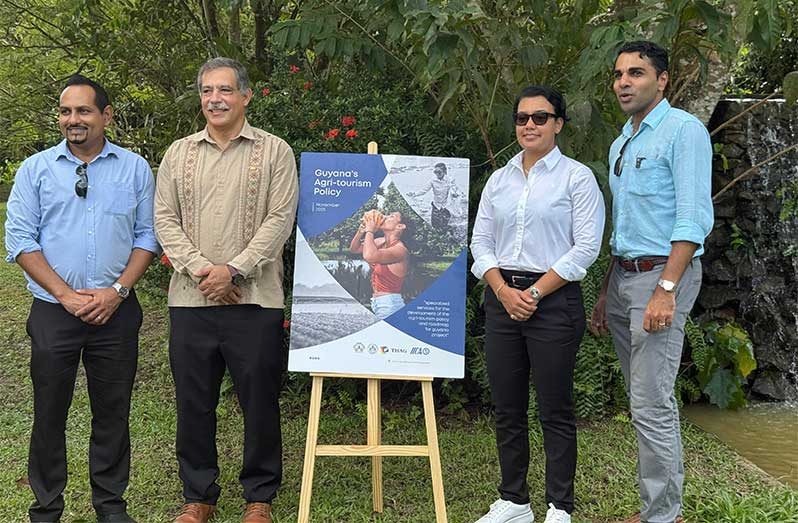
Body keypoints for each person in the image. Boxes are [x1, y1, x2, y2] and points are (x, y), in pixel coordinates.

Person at [4, 74, 158, 523]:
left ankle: (111, 508)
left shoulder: (134, 169)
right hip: (55, 313)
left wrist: (117, 291)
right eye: (66, 111)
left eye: (84, 110)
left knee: (113, 414)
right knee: (49, 414)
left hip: (117, 311)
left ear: (105, 116)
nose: (74, 120)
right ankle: (46, 509)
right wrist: (67, 296)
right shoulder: (35, 170)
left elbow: (147, 235)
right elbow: (20, 240)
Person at [154, 57, 298, 523]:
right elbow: (164, 220)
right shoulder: (178, 153)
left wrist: (233, 270)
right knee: (193, 401)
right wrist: (204, 272)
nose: (214, 99)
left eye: (225, 90)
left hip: (255, 299)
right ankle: (198, 497)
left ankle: (259, 497)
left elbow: (280, 220)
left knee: (259, 400)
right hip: (191, 299)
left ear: (246, 96)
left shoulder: (275, 151)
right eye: (206, 91)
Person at [589, 41, 713, 523]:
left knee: (650, 401)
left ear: (661, 80)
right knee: (642, 397)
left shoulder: (683, 131)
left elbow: (692, 217)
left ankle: (663, 516)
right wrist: (606, 291)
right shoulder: (624, 140)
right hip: (624, 277)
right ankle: (657, 511)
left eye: (636, 73)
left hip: (663, 277)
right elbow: (624, 224)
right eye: (618, 74)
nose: (623, 82)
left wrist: (666, 289)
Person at [470, 85, 605, 523]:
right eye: (522, 118)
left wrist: (531, 294)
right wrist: (504, 291)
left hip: (552, 302)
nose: (529, 125)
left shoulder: (577, 178)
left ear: (558, 124)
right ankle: (514, 501)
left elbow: (585, 248)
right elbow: (481, 242)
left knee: (554, 408)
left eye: (540, 117)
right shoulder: (499, 179)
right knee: (508, 407)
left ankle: (559, 506)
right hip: (502, 300)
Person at [349, 210, 409, 319]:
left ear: (400, 226)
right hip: (378, 303)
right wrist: (361, 231)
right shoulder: (380, 241)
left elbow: (369, 256)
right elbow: (354, 249)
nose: (385, 217)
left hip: (390, 305)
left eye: (391, 216)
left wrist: (370, 231)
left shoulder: (400, 251)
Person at [408, 162, 459, 229]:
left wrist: (455, 193)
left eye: (439, 172)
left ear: (444, 171)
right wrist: (414, 194)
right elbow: (424, 190)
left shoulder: (450, 180)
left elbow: (455, 190)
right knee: (435, 226)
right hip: (436, 206)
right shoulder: (432, 181)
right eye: (435, 172)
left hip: (446, 206)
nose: (437, 174)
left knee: (445, 225)